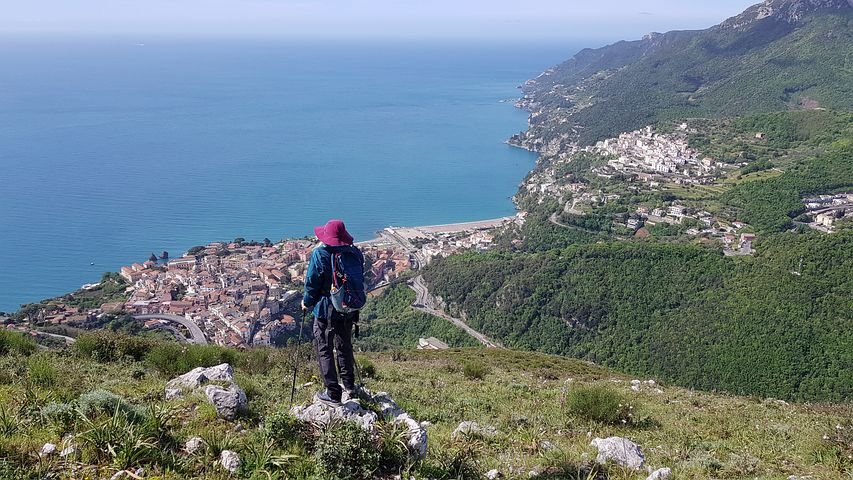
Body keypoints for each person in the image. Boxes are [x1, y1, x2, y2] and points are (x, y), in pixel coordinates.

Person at [302, 219, 364, 406]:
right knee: (344, 346)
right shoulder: (354, 252)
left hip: (325, 310)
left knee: (324, 348)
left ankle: (333, 394)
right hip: (347, 307)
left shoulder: (320, 254)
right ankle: (350, 386)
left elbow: (312, 284)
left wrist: (306, 302)